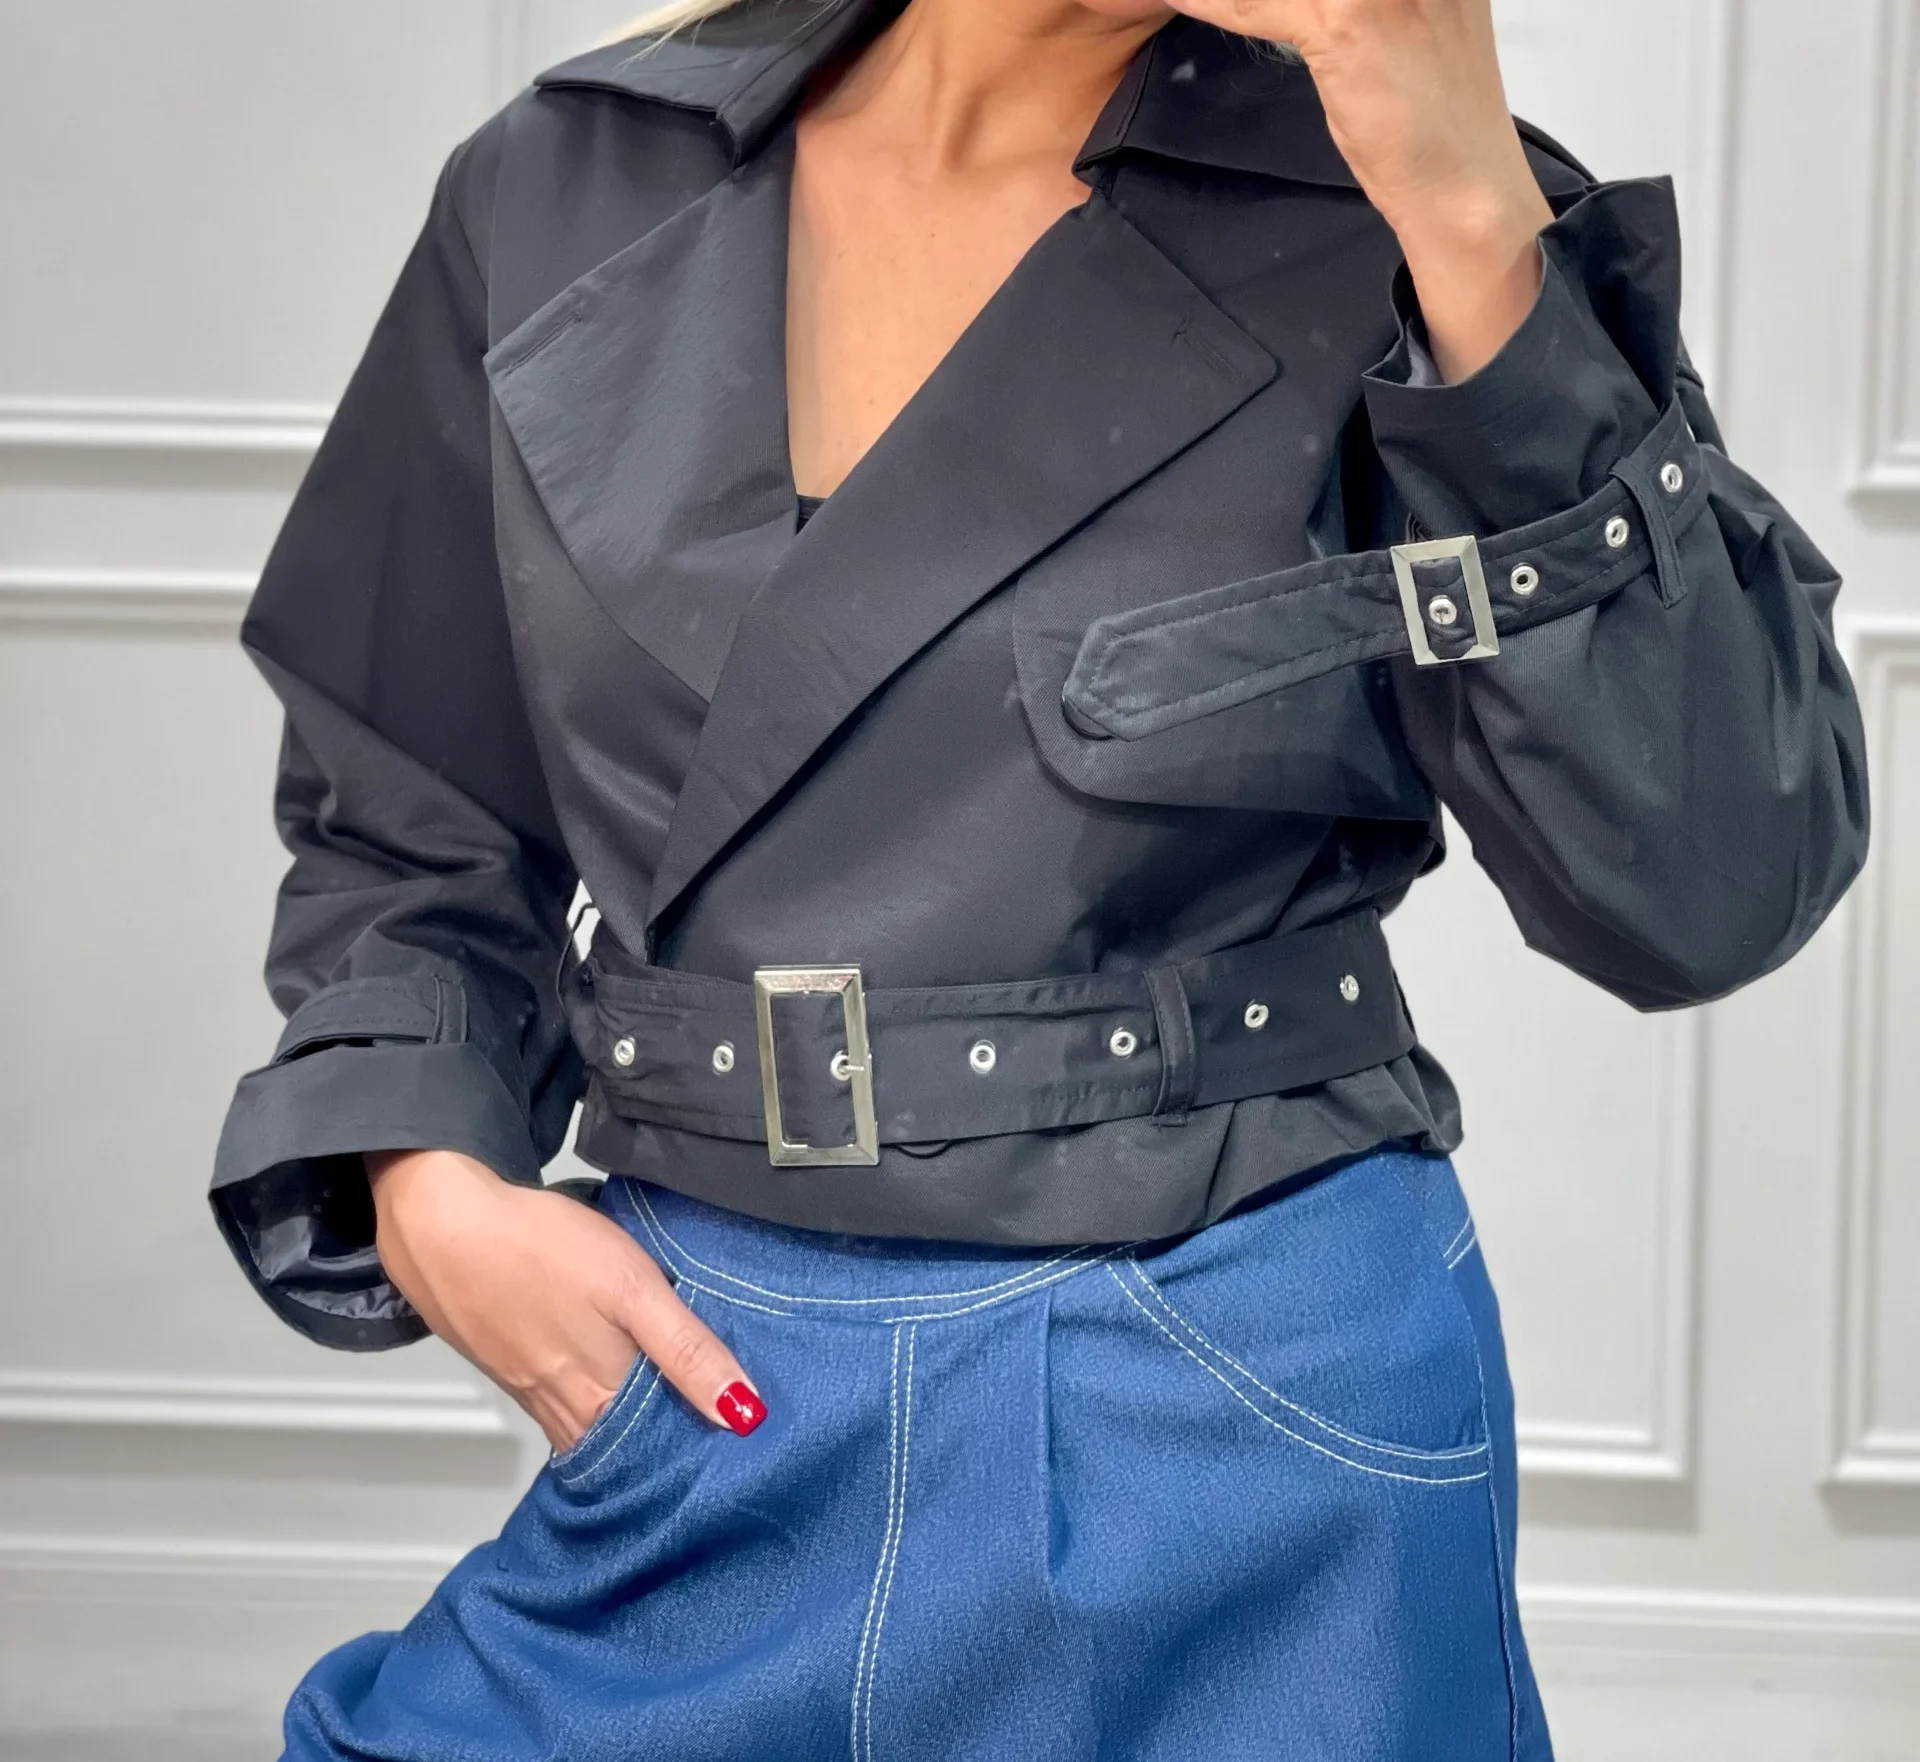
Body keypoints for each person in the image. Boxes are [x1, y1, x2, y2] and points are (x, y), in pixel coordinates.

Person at [207, 0, 1869, 1755]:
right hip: (702, 1386)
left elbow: (1712, 882)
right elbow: (411, 806)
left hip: (1238, 1401)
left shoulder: (1411, 212)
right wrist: (423, 1168)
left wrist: (1466, 209)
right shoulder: (565, 184)